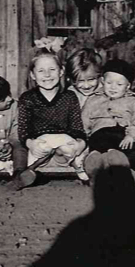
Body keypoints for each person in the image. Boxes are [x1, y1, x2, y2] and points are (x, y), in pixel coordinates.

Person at [65, 48, 135, 175]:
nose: (86, 85)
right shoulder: (70, 96)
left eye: (91, 79)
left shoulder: (110, 87)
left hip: (122, 135)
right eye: (80, 81)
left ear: (100, 77)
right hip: (89, 140)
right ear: (72, 80)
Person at [81, 58, 135, 186]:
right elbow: (84, 122)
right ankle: (99, 167)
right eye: (109, 83)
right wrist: (84, 140)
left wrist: (131, 136)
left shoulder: (134, 102)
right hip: (101, 135)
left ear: (127, 86)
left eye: (119, 84)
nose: (113, 87)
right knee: (103, 147)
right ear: (102, 81)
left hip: (124, 134)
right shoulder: (92, 100)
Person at [15, 50, 87, 190]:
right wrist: (31, 144)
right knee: (42, 147)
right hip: (42, 146)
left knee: (70, 147)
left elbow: (77, 126)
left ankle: (75, 164)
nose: (47, 75)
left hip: (64, 143)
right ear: (33, 75)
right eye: (41, 71)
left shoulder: (70, 96)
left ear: (61, 71)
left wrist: (80, 143)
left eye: (52, 69)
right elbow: (23, 129)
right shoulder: (27, 98)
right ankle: (34, 172)